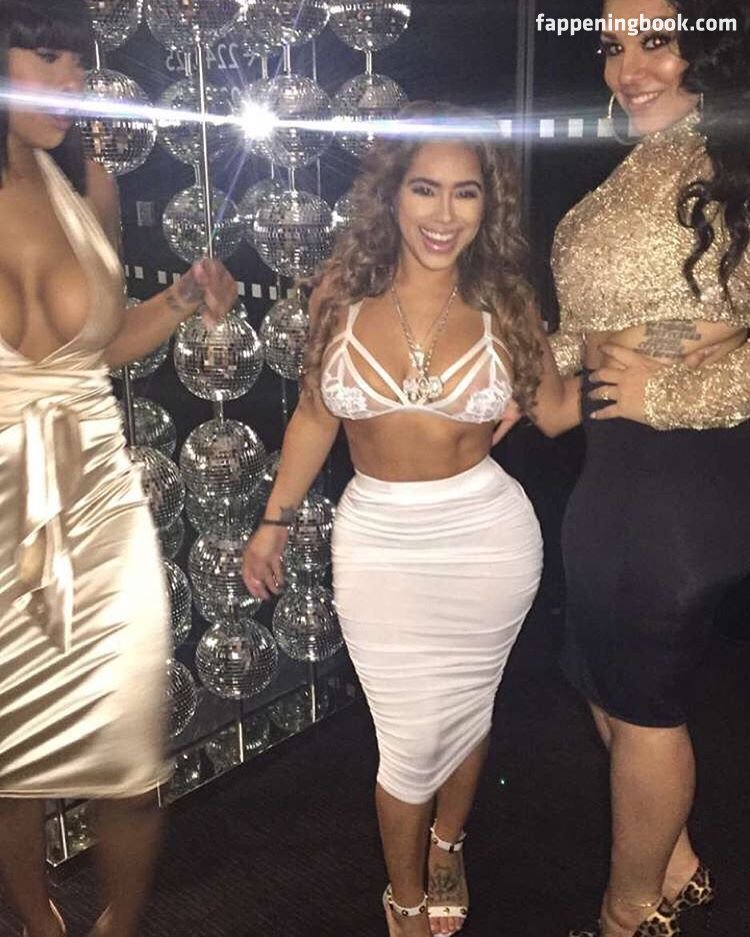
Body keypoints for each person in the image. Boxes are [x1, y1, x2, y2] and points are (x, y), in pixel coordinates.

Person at [241, 101, 589, 936]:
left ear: (487, 204)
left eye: (466, 193)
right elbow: (315, 419)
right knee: (408, 740)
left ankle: (448, 842)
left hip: (488, 539)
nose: (444, 214)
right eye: (425, 189)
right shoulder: (339, 294)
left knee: (468, 705)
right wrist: (273, 522)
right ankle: (403, 899)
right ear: (391, 193)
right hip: (379, 542)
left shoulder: (505, 299)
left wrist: (628, 356)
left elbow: (554, 411)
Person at [0, 2, 237, 936]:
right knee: (10, 770)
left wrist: (178, 300)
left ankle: (120, 927)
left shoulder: (86, 181)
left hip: (99, 503)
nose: (72, 84)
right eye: (45, 58)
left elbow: (98, 349)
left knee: (132, 764)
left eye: (78, 62)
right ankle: (36, 921)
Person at [545, 1, 750, 935]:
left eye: (655, 42)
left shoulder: (732, 162)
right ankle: (676, 866)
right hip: (613, 476)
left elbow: (707, 327)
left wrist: (663, 380)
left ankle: (626, 914)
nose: (627, 70)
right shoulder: (641, 166)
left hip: (680, 484)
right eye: (611, 47)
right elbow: (603, 331)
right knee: (604, 681)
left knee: (644, 705)